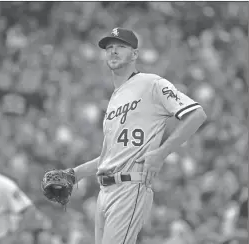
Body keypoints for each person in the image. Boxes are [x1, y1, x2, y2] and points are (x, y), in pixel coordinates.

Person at [71, 27, 207, 244]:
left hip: (130, 187)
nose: (113, 51)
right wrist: (74, 174)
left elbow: (197, 114)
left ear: (134, 54)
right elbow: (110, 156)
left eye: (121, 46)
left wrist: (161, 153)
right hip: (105, 190)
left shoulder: (151, 83)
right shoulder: (115, 99)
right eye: (110, 47)